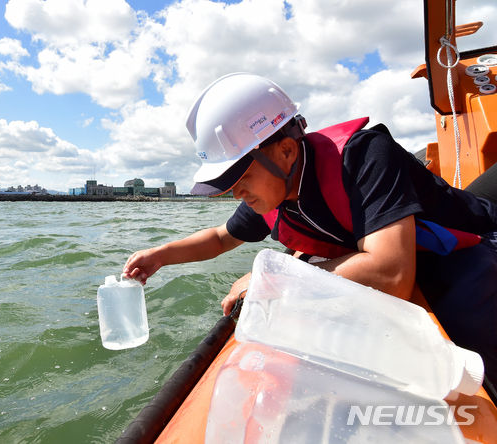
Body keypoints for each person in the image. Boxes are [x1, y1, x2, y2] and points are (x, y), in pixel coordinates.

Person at [122, 72, 497, 386]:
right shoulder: (273, 191)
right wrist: (161, 256)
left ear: (285, 151)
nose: (235, 190)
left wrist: (274, 280)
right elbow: (222, 236)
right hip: (414, 256)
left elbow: (391, 273)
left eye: (241, 175)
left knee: (469, 314)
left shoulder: (364, 156)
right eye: (226, 180)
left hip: (473, 242)